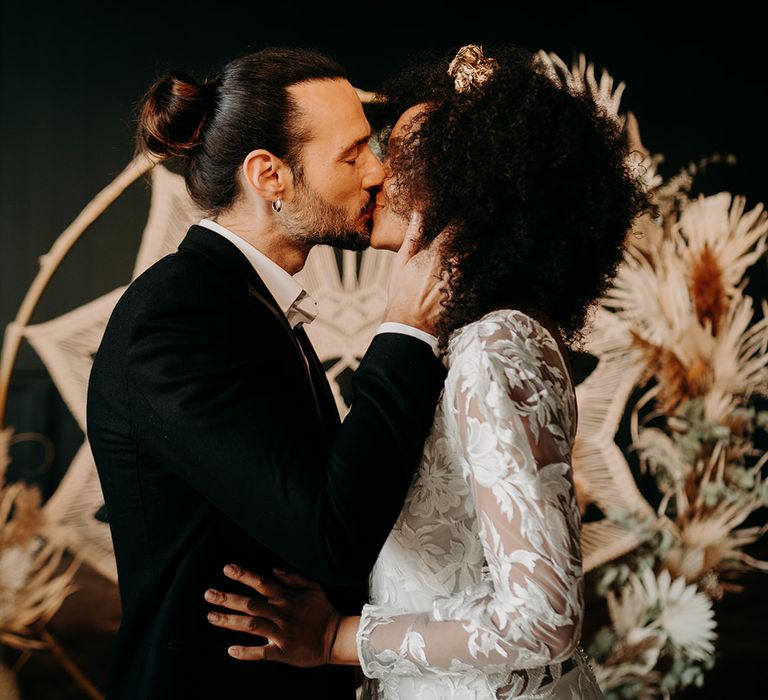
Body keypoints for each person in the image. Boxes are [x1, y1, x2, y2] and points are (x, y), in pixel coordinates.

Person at [204, 44, 654, 699]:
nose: (378, 174)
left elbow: (545, 618)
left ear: (478, 182)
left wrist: (335, 638)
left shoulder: (497, 343)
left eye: (404, 155)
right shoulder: (456, 339)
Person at [86, 47, 448, 699]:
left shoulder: (241, 303)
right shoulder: (177, 321)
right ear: (269, 176)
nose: (378, 172)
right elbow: (331, 537)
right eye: (353, 153)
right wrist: (404, 327)